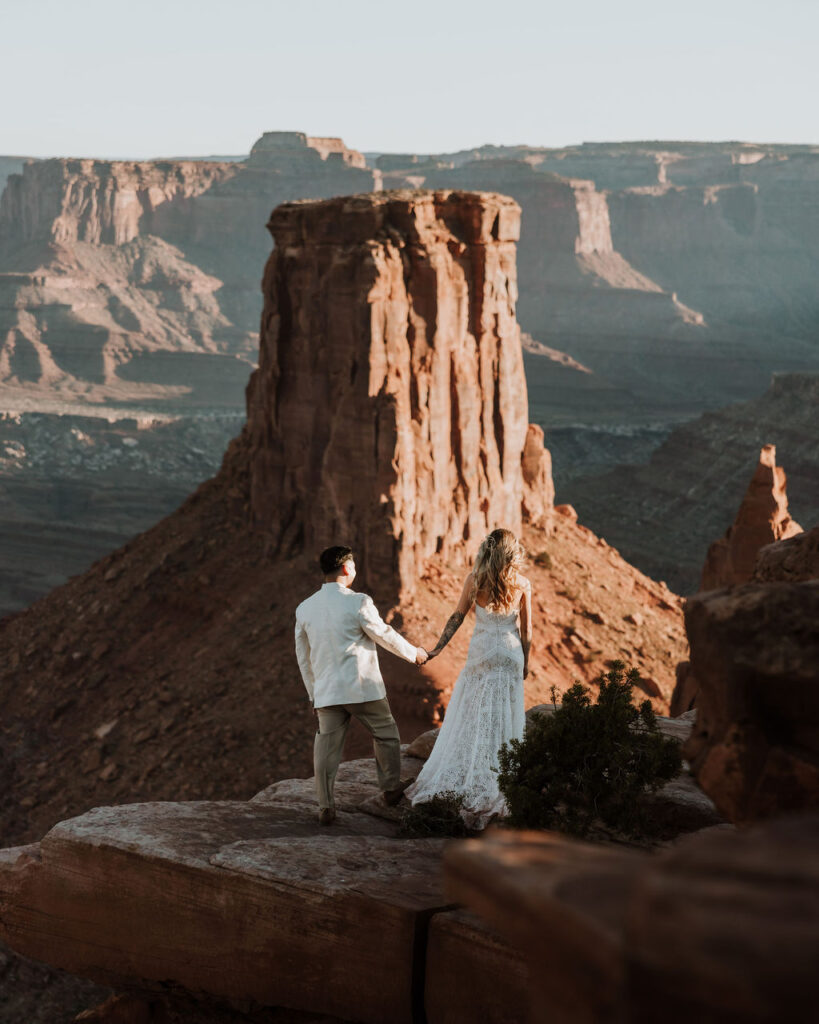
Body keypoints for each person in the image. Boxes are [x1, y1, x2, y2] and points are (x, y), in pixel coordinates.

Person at [406, 528, 531, 829]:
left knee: (474, 711)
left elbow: (457, 616)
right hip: (510, 654)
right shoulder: (523, 583)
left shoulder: (475, 580)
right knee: (504, 715)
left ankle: (472, 768)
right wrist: (525, 662)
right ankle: (498, 773)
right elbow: (527, 631)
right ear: (512, 554)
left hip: (483, 652)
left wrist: (436, 648)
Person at [295, 545, 428, 825]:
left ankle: (325, 805)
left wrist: (312, 694)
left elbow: (303, 659)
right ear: (346, 568)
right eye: (353, 565)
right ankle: (390, 788)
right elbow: (384, 634)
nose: (355, 569)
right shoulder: (358, 602)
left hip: (327, 693)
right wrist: (414, 654)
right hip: (361, 687)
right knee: (386, 734)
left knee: (326, 747)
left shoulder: (304, 608)